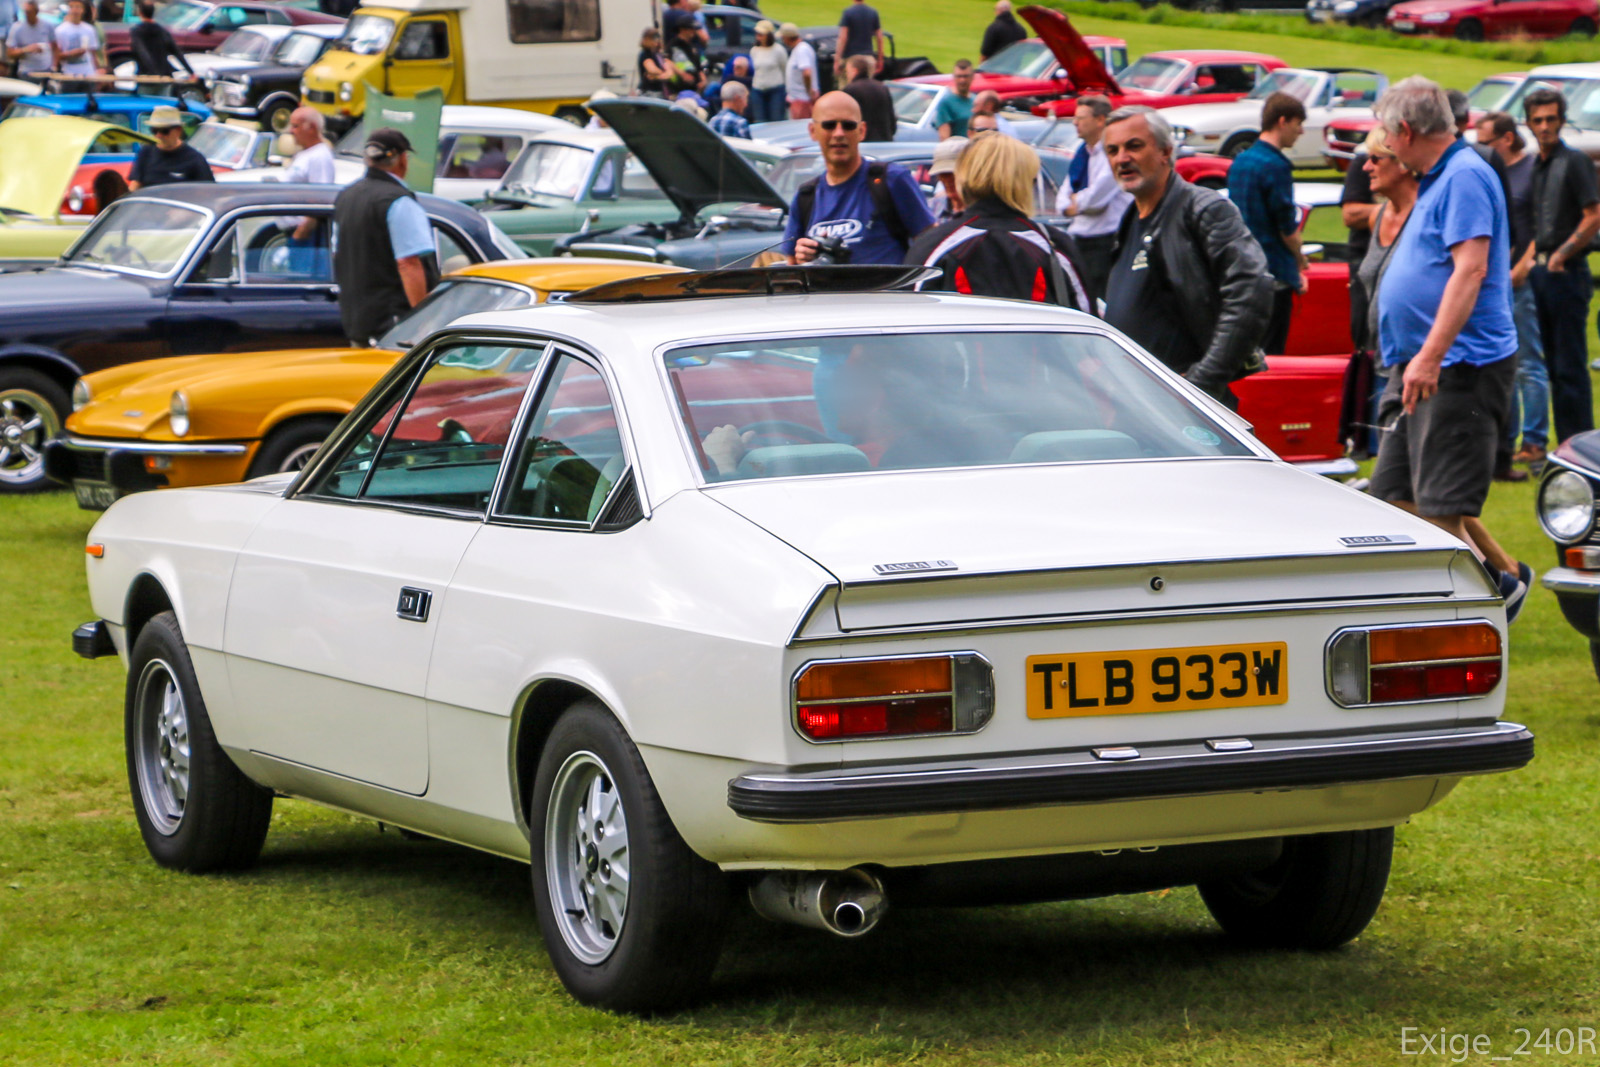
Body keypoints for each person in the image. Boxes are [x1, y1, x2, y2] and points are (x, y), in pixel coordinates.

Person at [1368, 76, 1529, 618]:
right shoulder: (1439, 178)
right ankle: (1504, 582)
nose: (1385, 147)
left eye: (1388, 137)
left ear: (1407, 130)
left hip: (1461, 368)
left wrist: (1431, 355)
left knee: (1441, 510)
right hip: (1424, 367)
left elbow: (1472, 268)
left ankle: (1486, 603)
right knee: (1394, 497)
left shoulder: (1462, 176)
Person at [1101, 105, 1272, 407]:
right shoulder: (1130, 221)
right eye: (1112, 151)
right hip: (1136, 404)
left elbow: (1251, 290)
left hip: (1189, 409)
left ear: (1166, 151)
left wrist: (1202, 383)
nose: (1122, 158)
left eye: (1134, 146)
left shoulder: (1203, 210)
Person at [907, 132, 1091, 310]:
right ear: (1024, 181)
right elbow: (1086, 326)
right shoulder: (1054, 246)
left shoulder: (935, 245)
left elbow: (905, 322)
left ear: (965, 177)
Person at [1524, 86, 1600, 446]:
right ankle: (1565, 445)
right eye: (1537, 120)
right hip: (1540, 273)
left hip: (1566, 273)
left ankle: (1579, 447)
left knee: (1570, 368)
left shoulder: (1574, 161)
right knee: (1551, 366)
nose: (1544, 126)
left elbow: (1593, 216)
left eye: (1551, 119)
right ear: (1527, 123)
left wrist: (1562, 254)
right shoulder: (1537, 166)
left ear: (1562, 120)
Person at [783, 91, 933, 266]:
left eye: (848, 125)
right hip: (828, 293)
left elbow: (931, 242)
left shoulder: (891, 180)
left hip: (886, 292)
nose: (839, 133)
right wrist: (803, 256)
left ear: (862, 131)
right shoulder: (805, 196)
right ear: (813, 131)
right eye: (829, 125)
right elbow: (791, 265)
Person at [1477, 109, 1547, 473]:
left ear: (1506, 139)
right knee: (1506, 360)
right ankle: (1507, 441)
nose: (1480, 148)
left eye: (1486, 141)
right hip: (1497, 279)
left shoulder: (1529, 170)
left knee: (1529, 364)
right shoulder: (1489, 174)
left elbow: (1541, 223)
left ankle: (1535, 441)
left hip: (1520, 278)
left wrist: (1524, 264)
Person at [333, 128, 439, 347]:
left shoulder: (346, 196)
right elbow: (409, 264)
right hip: (393, 326)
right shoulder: (398, 201)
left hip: (357, 323)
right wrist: (421, 321)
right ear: (402, 159)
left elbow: (339, 255)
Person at [1227, 92, 1308, 355]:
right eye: (1298, 125)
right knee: (1272, 354)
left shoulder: (1241, 161)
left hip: (1242, 270)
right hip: (1273, 271)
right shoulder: (1275, 165)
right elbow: (1286, 226)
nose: (1301, 132)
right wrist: (1300, 262)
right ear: (1282, 121)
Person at [1056, 94, 1129, 304]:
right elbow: (1063, 197)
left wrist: (1075, 203)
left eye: (1081, 118)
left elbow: (1096, 199)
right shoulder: (1082, 154)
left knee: (1104, 298)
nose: (1074, 122)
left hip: (1105, 241)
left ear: (1100, 120)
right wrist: (1072, 205)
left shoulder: (1112, 153)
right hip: (1081, 239)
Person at [128, 106, 212, 189]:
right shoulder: (146, 152)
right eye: (154, 130)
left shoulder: (195, 159)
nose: (158, 135)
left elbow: (206, 192)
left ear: (178, 131)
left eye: (165, 131)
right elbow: (135, 184)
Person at [129, 1, 193, 86]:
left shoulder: (137, 31)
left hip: (147, 77)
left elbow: (142, 52)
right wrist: (191, 72)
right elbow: (177, 52)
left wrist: (153, 71)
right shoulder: (162, 31)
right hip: (164, 76)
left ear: (140, 13)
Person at [840, 53, 894, 140]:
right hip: (884, 141)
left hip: (862, 143)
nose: (847, 75)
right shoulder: (882, 87)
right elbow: (892, 121)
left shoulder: (850, 90)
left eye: (847, 71)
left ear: (855, 70)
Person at [53, 0, 101, 86]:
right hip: (69, 75)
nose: (75, 10)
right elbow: (56, 55)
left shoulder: (89, 29)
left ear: (83, 10)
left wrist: (96, 70)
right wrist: (70, 54)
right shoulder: (60, 30)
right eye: (72, 7)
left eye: (78, 7)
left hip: (88, 74)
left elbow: (93, 53)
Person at [748, 20, 787, 123]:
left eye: (762, 34)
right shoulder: (754, 50)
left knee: (776, 119)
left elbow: (784, 68)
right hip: (758, 90)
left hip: (775, 90)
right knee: (759, 120)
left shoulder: (778, 50)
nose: (759, 37)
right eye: (758, 34)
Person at [6, 2, 55, 80]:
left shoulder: (47, 25)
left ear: (36, 12)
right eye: (25, 12)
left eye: (29, 12)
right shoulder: (16, 28)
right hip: (27, 72)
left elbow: (55, 46)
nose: (27, 15)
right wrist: (26, 49)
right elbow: (10, 53)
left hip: (46, 70)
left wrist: (54, 66)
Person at [835, 0, 882, 77]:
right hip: (868, 58)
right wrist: (880, 59)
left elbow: (843, 38)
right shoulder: (873, 12)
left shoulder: (848, 12)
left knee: (847, 88)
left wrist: (837, 60)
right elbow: (879, 38)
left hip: (851, 59)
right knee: (866, 86)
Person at [780, 23, 817, 120]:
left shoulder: (802, 50)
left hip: (802, 100)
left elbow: (807, 73)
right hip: (798, 99)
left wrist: (809, 92)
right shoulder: (799, 49)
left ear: (787, 38)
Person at [933, 60, 975, 139]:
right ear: (954, 77)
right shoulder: (946, 102)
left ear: (972, 77)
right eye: (959, 76)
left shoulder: (975, 100)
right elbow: (944, 138)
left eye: (966, 76)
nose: (962, 80)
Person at [928, 135, 965, 220]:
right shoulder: (932, 207)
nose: (947, 179)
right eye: (942, 173)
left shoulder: (982, 211)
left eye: (951, 173)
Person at [667, 17, 706, 94]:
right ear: (682, 29)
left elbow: (698, 67)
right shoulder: (673, 46)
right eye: (690, 28)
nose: (693, 31)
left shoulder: (692, 46)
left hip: (695, 90)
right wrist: (683, 74)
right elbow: (666, 61)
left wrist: (703, 80)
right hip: (679, 90)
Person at [637, 26, 672, 98]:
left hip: (661, 92)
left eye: (657, 37)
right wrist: (663, 73)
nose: (656, 40)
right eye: (653, 38)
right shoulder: (645, 54)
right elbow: (652, 70)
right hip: (649, 93)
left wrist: (657, 77)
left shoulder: (659, 55)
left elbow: (670, 73)